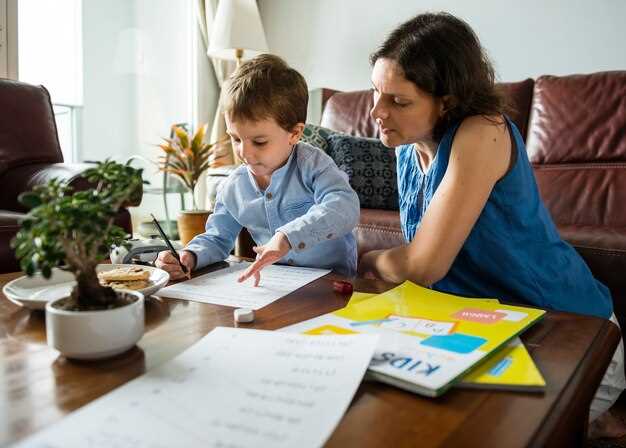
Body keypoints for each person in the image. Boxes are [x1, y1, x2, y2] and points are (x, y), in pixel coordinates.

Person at [357, 12, 625, 439]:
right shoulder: (406, 148)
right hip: (484, 325)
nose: (376, 112)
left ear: (446, 100)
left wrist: (363, 257)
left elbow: (423, 265)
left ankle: (600, 418)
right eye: (375, 92)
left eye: (398, 100)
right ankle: (598, 424)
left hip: (567, 330)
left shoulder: (483, 131)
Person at [157, 54, 359, 285]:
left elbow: (345, 207)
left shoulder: (314, 164)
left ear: (295, 133)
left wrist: (287, 237)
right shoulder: (234, 186)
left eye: (259, 142)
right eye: (235, 139)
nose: (244, 152)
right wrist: (189, 256)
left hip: (333, 283)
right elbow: (217, 237)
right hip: (276, 284)